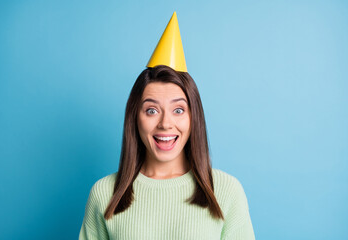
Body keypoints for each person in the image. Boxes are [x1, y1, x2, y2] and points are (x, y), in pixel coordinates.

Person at [79, 12, 255, 240]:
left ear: (194, 118)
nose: (165, 123)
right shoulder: (104, 194)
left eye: (178, 110)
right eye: (151, 110)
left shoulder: (226, 192)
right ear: (135, 117)